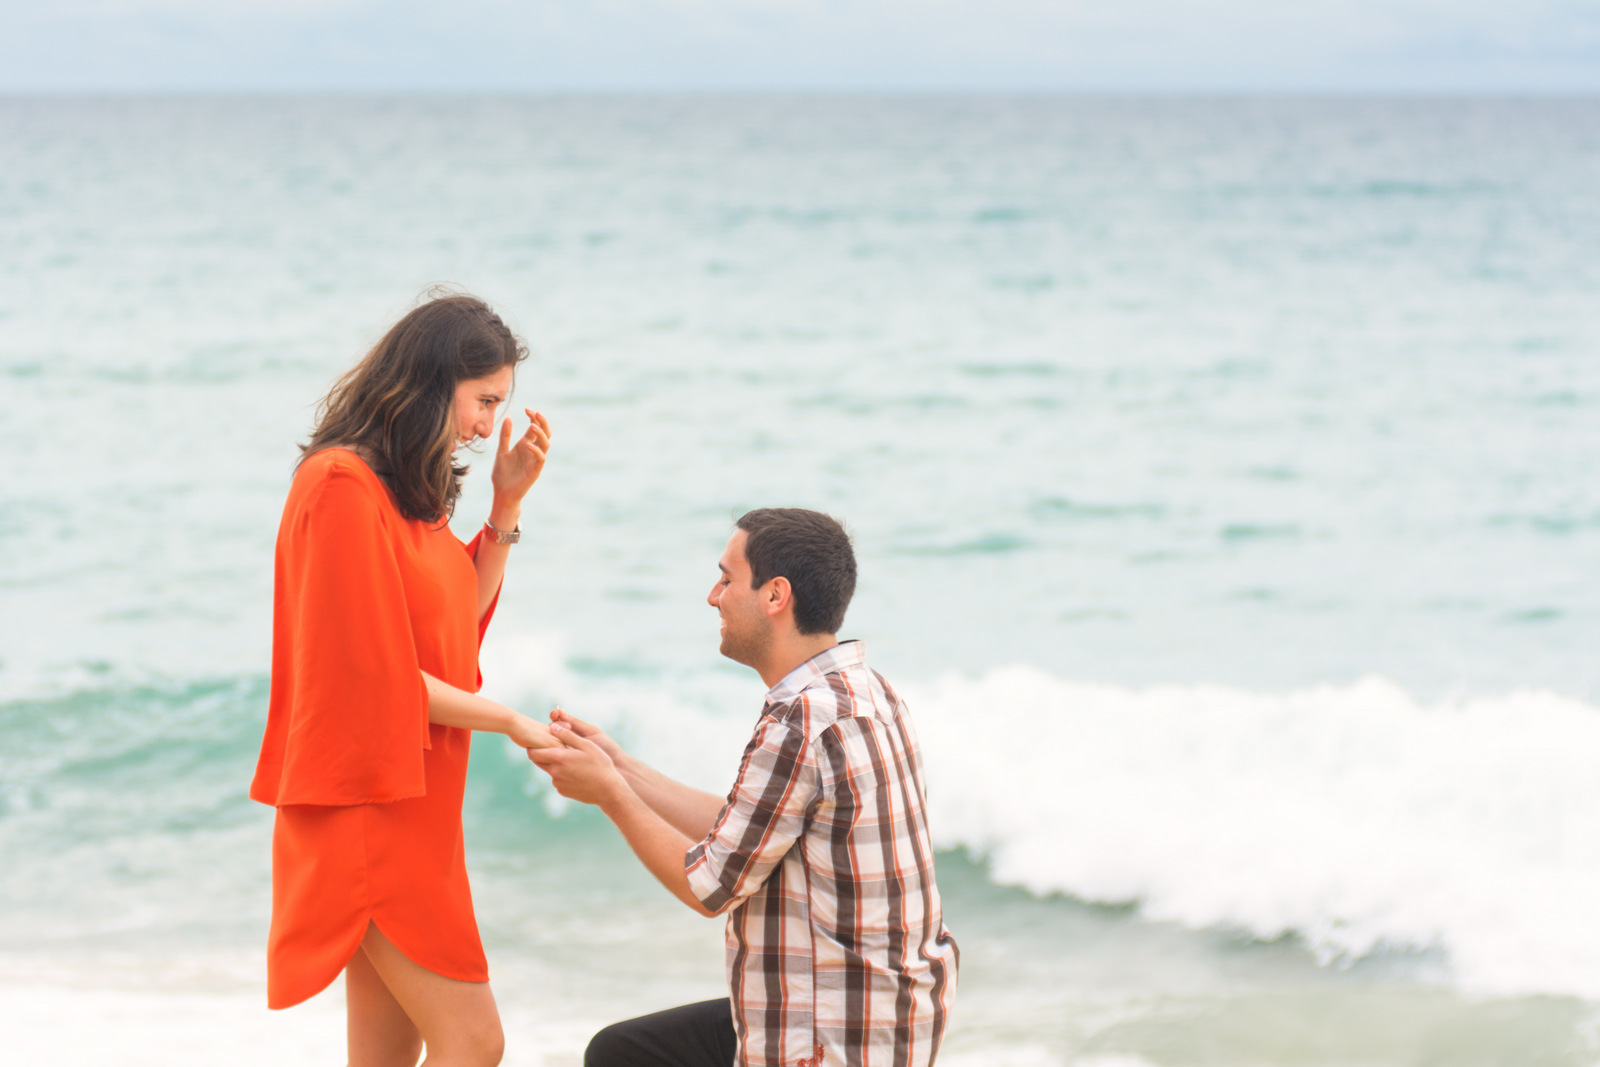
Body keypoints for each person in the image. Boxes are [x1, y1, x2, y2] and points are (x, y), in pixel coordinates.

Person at [530, 507, 959, 1067]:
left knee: (621, 1057)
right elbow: (744, 833)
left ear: (775, 595)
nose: (713, 596)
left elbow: (708, 887)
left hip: (833, 1034)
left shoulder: (802, 721)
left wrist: (610, 795)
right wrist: (619, 764)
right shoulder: (865, 691)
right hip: (891, 1014)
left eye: (727, 579)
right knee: (623, 1051)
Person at [249, 292, 558, 1067]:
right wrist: (512, 721)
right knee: (474, 1039)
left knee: (388, 1055)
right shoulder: (340, 486)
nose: (490, 426)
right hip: (368, 807)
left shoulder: (402, 496)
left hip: (416, 803)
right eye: (484, 400)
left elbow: (454, 623)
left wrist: (506, 508)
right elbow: (376, 676)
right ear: (432, 381)